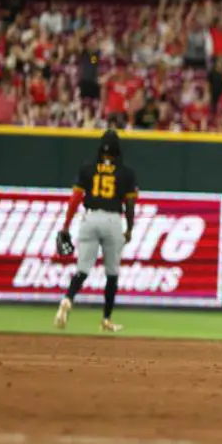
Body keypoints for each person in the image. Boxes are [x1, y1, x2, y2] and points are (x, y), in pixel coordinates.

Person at [53, 129, 138, 333]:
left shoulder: (87, 169)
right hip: (112, 220)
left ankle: (67, 299)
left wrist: (65, 225)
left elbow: (75, 200)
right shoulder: (126, 173)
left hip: (90, 217)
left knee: (82, 270)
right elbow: (130, 205)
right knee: (112, 274)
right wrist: (129, 229)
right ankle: (106, 319)